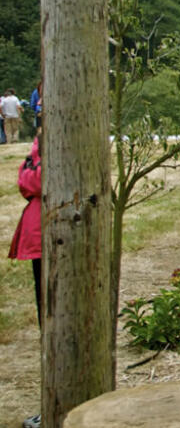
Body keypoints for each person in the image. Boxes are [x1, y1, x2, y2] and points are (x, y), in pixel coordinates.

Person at [8, 136, 41, 428]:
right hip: (40, 237)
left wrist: (33, 171)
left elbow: (39, 181)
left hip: (56, 236)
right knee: (49, 320)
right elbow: (27, 182)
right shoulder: (39, 144)